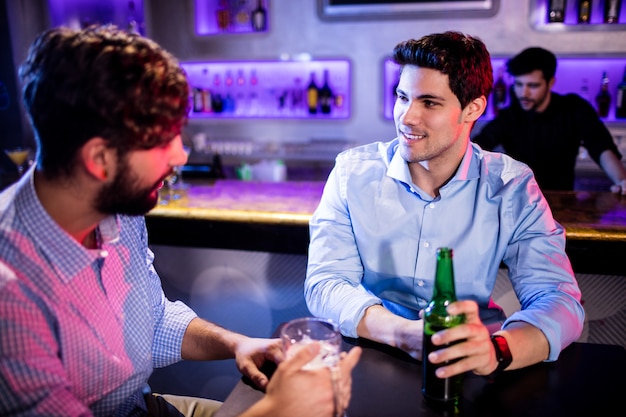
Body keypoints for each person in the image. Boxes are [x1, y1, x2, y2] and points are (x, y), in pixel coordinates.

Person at [0, 25, 361, 417]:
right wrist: (279, 410)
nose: (181, 155)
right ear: (99, 160)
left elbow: (151, 319)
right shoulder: (11, 289)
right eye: (162, 140)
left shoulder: (117, 209)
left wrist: (236, 343)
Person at [305, 32, 584, 382]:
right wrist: (401, 332)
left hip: (471, 365)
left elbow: (558, 298)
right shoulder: (352, 173)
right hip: (368, 354)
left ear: (473, 109)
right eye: (402, 97)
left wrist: (497, 349)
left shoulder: (511, 185)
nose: (407, 117)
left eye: (430, 103)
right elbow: (325, 282)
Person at [472, 47, 626, 193]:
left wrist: (622, 181)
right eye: (519, 84)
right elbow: (479, 148)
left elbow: (601, 146)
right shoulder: (509, 117)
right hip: (519, 203)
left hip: (562, 200)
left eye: (533, 86)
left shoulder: (573, 109)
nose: (523, 93)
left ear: (550, 82)